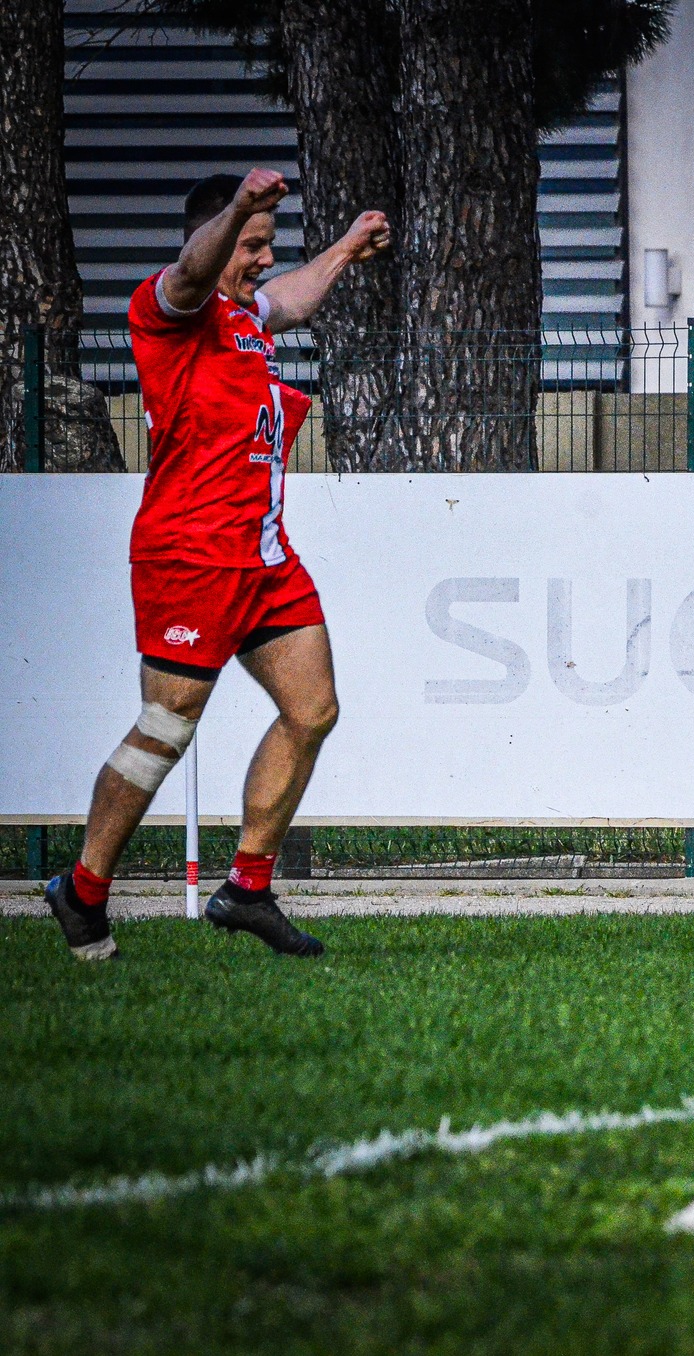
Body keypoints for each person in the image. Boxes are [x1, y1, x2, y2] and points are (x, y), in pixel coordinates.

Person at [43, 168, 390, 961]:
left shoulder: (244, 318)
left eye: (270, 245)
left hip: (263, 558)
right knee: (164, 730)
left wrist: (343, 248)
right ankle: (83, 890)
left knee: (314, 710)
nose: (265, 259)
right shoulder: (171, 310)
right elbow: (194, 270)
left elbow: (294, 298)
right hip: (189, 557)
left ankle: (247, 889)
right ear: (217, 239)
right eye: (254, 246)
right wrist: (240, 209)